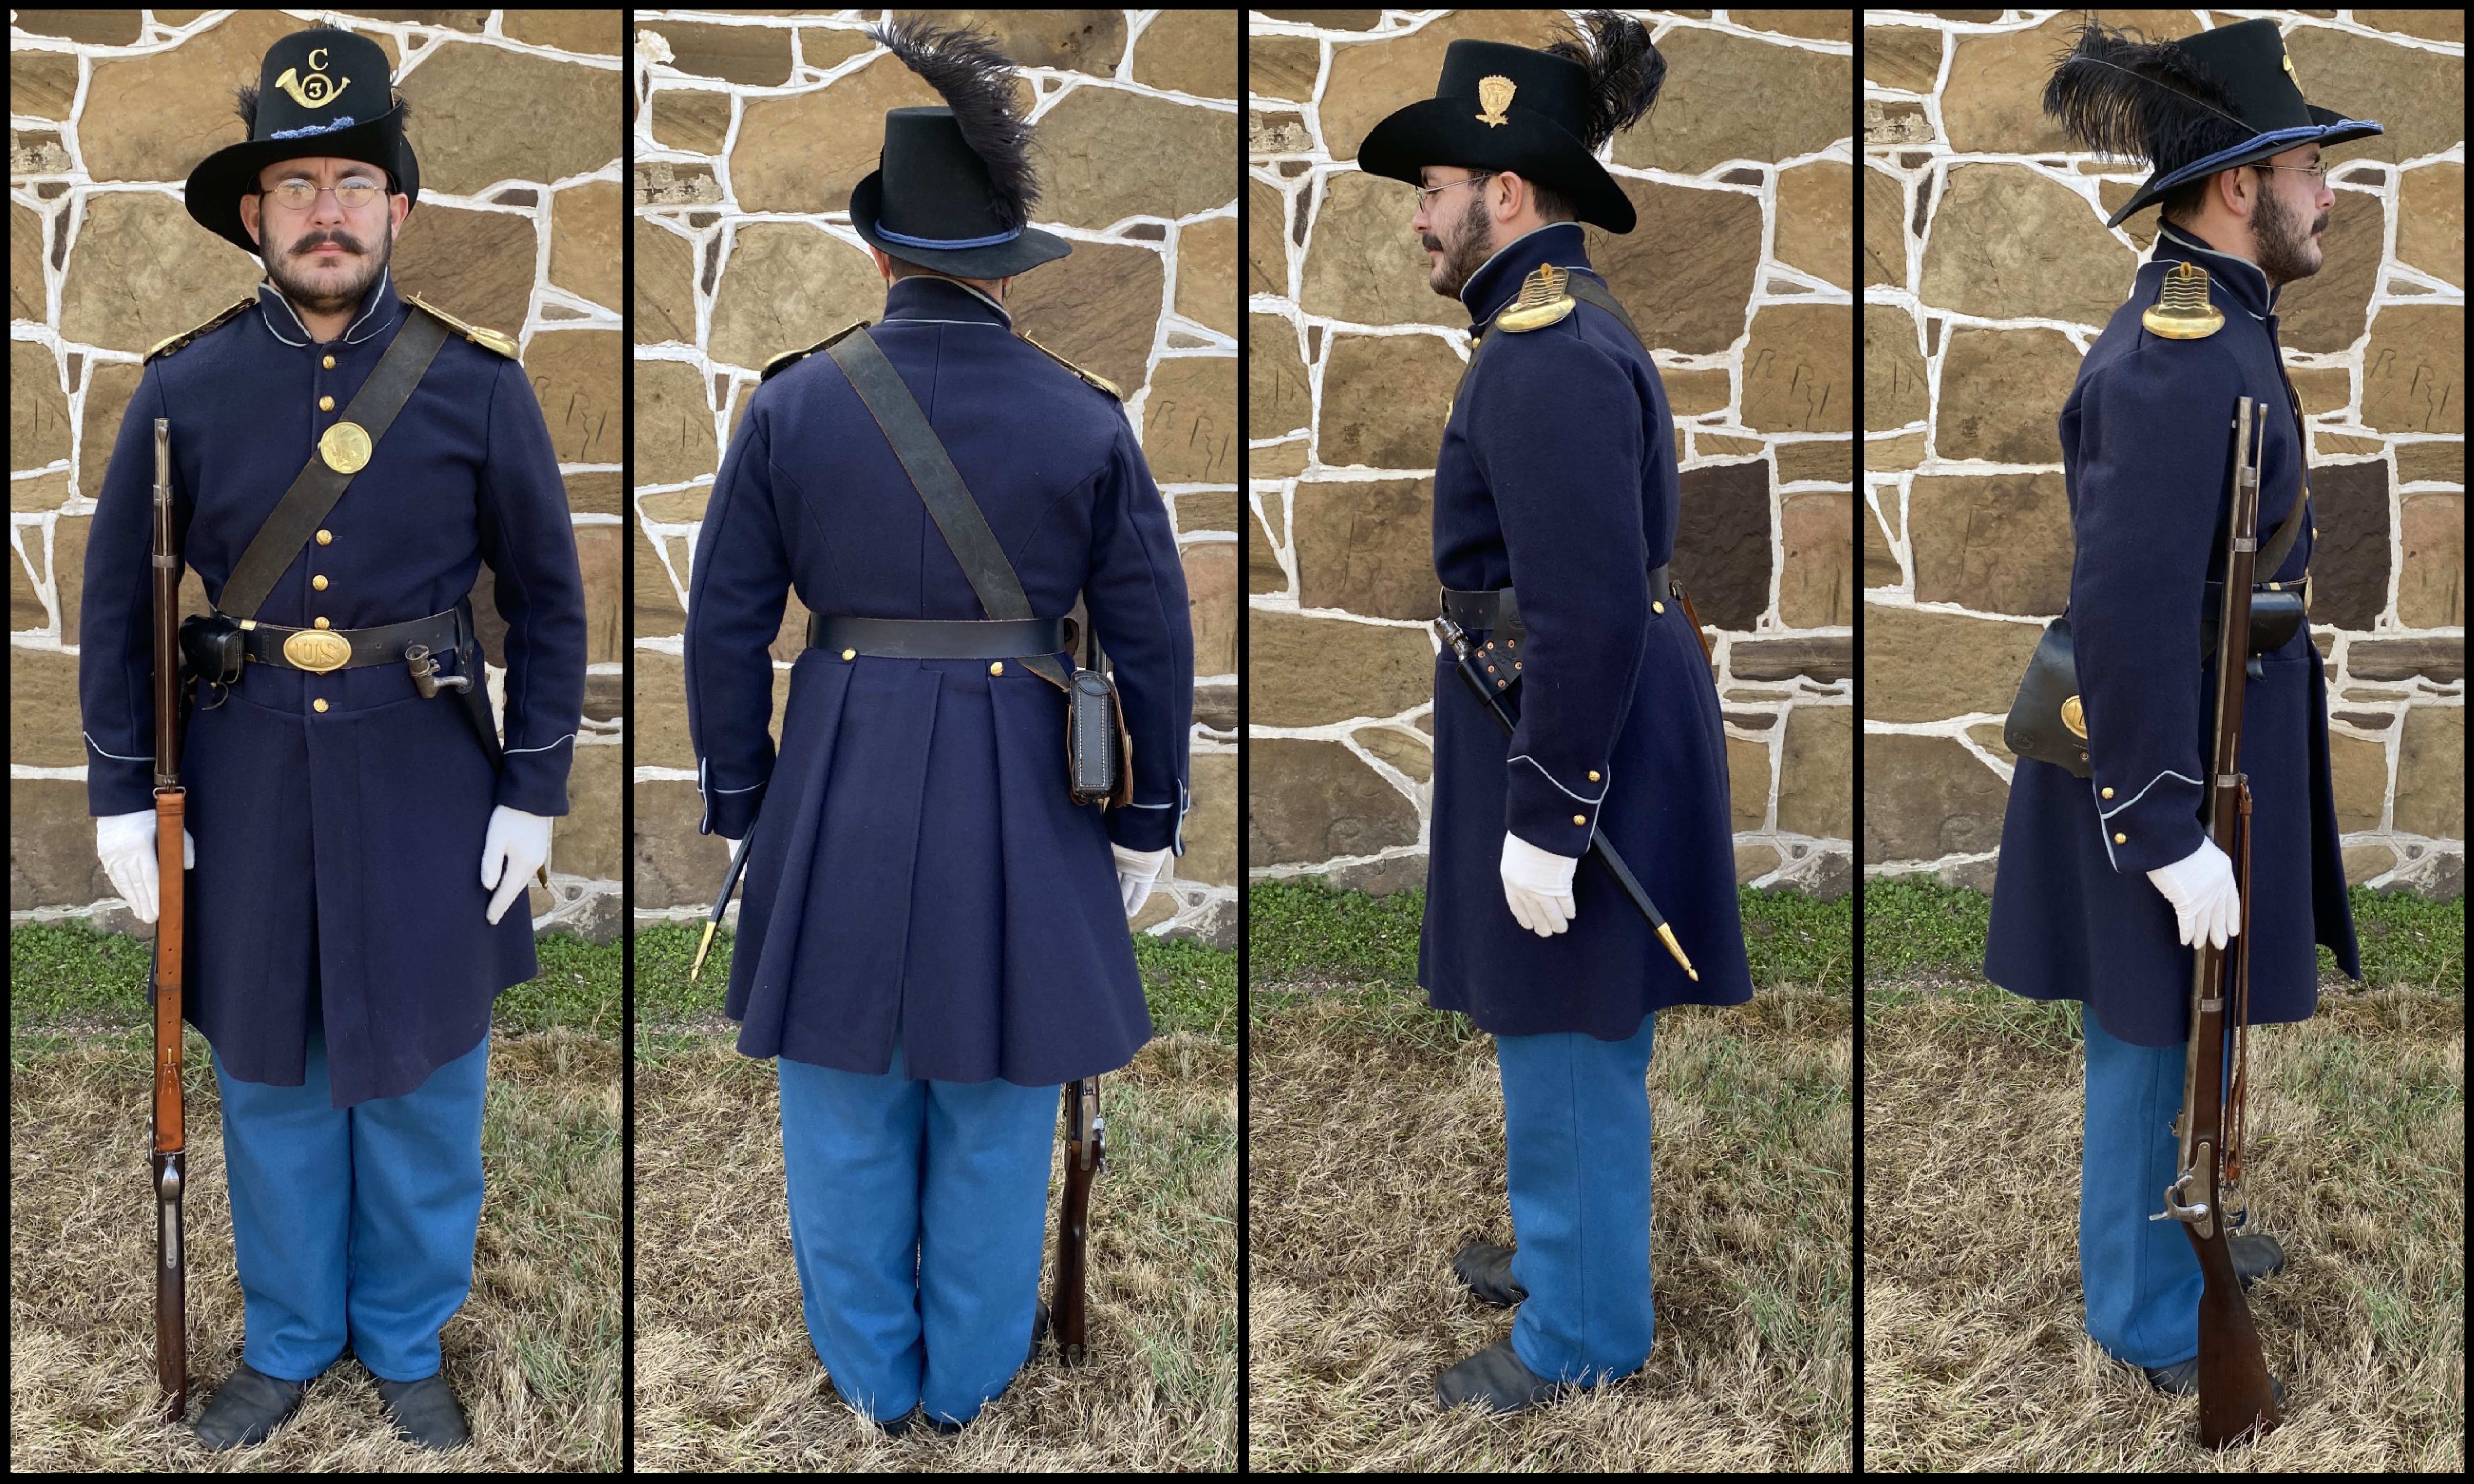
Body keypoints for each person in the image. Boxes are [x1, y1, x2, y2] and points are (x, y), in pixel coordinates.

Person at [679, 17, 1194, 1437]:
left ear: (882, 255)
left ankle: (870, 1378)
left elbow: (723, 624)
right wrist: (1146, 820)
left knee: (844, 1090)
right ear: (1002, 265)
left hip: (838, 760)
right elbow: (1150, 635)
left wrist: (744, 799)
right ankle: (966, 1379)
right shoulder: (1084, 418)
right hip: (1022, 777)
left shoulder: (791, 407)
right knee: (994, 1084)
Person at [78, 26, 587, 1452]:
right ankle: (295, 1336)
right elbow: (122, 601)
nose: (325, 211)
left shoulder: (478, 384)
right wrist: (127, 798)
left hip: (428, 772)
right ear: (255, 214)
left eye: (352, 181)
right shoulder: (182, 389)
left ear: (397, 210)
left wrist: (532, 788)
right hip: (242, 778)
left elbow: (548, 604)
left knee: (425, 1076)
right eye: (296, 185)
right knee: (272, 1071)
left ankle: (405, 1334)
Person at [1355, 11, 1757, 1413]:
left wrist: (1547, 816)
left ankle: (1581, 1327)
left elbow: (1581, 612)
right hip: (1551, 717)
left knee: (1572, 1019)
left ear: (1503, 195)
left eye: (1432, 189)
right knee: (1549, 1014)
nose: (1422, 215)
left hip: (1568, 733)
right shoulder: (1542, 334)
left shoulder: (1547, 352)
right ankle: (1558, 1249)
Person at [1985, 17, 2377, 1400]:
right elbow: (2131, 612)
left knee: (2181, 1023)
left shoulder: (2218, 322)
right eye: (2310, 168)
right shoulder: (2171, 354)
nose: (2327, 193)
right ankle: (2150, 1309)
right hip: (2159, 757)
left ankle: (2180, 1233)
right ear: (2237, 186)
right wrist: (2161, 828)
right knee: (2153, 1028)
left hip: (2204, 739)